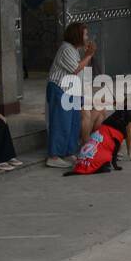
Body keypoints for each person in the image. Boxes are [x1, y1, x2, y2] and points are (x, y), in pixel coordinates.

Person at [46, 22, 96, 168]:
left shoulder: (74, 50)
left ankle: (68, 152)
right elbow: (75, 68)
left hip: (72, 91)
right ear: (77, 35)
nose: (87, 37)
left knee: (73, 124)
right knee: (61, 123)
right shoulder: (66, 49)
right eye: (85, 34)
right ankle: (53, 156)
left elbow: (81, 69)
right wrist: (89, 55)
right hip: (60, 89)